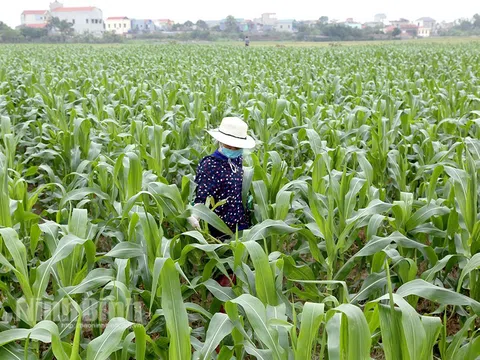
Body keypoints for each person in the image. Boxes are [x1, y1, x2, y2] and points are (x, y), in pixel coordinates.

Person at [188, 117, 256, 239]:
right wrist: (195, 216)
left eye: (237, 147)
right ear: (220, 141)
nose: (233, 149)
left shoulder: (237, 159)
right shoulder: (210, 165)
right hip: (221, 230)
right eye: (229, 146)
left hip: (241, 225)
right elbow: (202, 198)